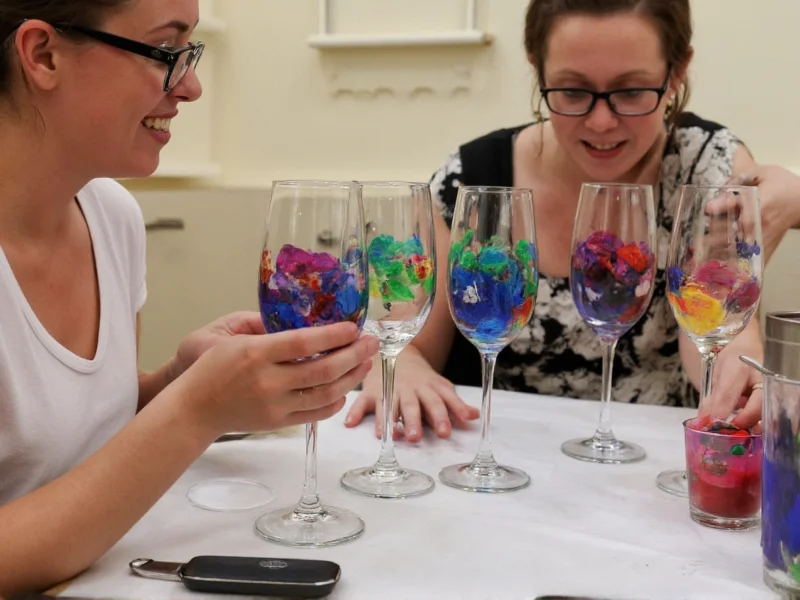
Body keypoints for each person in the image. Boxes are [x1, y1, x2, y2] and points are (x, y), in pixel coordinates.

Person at [0, 0, 379, 595]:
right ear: (43, 55)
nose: (193, 86)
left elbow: (82, 433)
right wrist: (196, 410)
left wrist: (178, 379)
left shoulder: (112, 216)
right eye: (168, 52)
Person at [346, 0, 794, 441]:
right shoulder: (475, 178)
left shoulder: (706, 167)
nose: (601, 122)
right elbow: (410, 341)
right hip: (502, 461)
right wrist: (399, 367)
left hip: (643, 471)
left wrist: (743, 384)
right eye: (573, 92)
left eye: (632, 91)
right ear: (537, 70)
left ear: (677, 72)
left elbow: (721, 340)